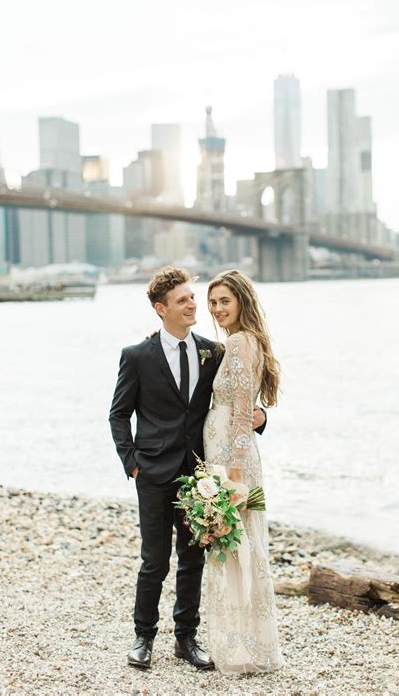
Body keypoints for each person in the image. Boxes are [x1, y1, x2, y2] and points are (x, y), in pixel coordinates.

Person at [108, 266, 266, 670]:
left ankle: (187, 638)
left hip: (199, 476)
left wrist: (261, 416)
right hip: (153, 473)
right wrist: (132, 464)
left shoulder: (213, 350)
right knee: (155, 560)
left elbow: (236, 397)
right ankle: (143, 637)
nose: (195, 305)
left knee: (193, 558)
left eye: (195, 298)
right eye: (184, 300)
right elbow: (118, 415)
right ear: (162, 309)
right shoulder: (137, 356)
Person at [204, 269, 284, 674]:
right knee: (241, 544)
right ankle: (249, 642)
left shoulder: (238, 342)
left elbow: (239, 414)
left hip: (232, 459)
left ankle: (241, 647)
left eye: (225, 302)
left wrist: (232, 476)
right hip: (232, 454)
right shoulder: (243, 342)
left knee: (235, 545)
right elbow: (246, 407)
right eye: (213, 302)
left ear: (242, 302)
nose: (218, 310)